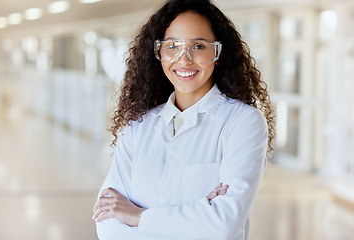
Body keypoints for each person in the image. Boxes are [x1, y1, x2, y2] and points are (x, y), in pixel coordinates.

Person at [92, 0, 275, 239]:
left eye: (198, 46)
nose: (184, 59)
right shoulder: (139, 126)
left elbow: (223, 224)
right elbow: (107, 220)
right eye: (172, 46)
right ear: (159, 53)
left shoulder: (243, 122)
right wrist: (198, 213)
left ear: (218, 54)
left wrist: (138, 216)